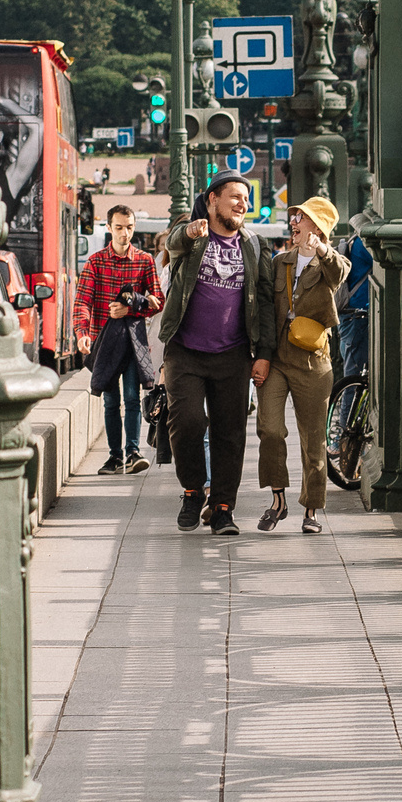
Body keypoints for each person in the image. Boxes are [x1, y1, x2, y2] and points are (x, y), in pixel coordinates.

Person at [160, 174, 277, 535]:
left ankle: (223, 508)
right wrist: (190, 233)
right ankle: (193, 491)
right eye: (235, 197)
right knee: (188, 423)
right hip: (185, 350)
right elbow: (173, 242)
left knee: (231, 434)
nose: (243, 204)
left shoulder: (254, 246)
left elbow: (267, 302)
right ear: (212, 200)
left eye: (246, 198)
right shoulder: (193, 238)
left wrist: (264, 353)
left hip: (234, 354)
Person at [255, 197, 347, 535]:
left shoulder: (330, 263)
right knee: (270, 429)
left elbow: (339, 274)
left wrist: (322, 251)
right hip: (277, 357)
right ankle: (278, 499)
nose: (294, 221)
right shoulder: (280, 262)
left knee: (313, 439)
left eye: (302, 217)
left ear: (317, 227)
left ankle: (311, 508)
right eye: (293, 216)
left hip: (312, 362)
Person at [81, 204, 161, 474]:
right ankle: (114, 457)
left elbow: (158, 301)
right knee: (111, 399)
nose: (124, 233)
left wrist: (132, 308)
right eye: (119, 228)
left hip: (133, 341)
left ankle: (133, 452)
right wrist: (81, 333)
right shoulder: (95, 262)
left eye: (129, 227)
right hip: (103, 342)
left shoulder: (144, 261)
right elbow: (83, 301)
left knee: (132, 396)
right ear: (109, 228)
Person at [338, 229, 373, 378]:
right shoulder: (365, 244)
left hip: (349, 314)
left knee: (352, 373)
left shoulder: (356, 240)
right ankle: (347, 402)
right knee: (354, 376)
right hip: (357, 317)